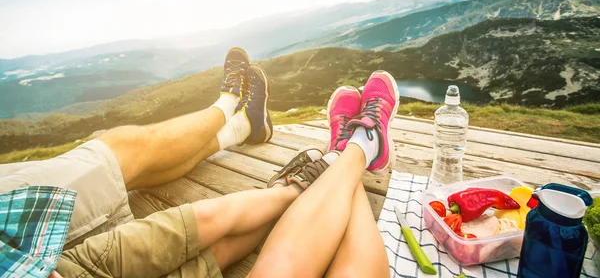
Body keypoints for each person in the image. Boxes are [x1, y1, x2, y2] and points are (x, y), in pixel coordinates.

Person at [1, 47, 398, 278]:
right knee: (223, 254)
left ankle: (318, 157)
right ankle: (356, 149)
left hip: (45, 263)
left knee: (206, 228)